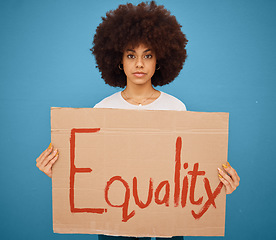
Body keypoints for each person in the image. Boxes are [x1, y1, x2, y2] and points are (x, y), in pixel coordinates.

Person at [36, 1, 240, 239]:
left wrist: (218, 184)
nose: (140, 64)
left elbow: (185, 171)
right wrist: (60, 172)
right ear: (119, 61)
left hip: (166, 220)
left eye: (148, 55)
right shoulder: (102, 109)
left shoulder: (176, 107)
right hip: (116, 222)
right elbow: (93, 172)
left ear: (160, 60)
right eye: (131, 55)